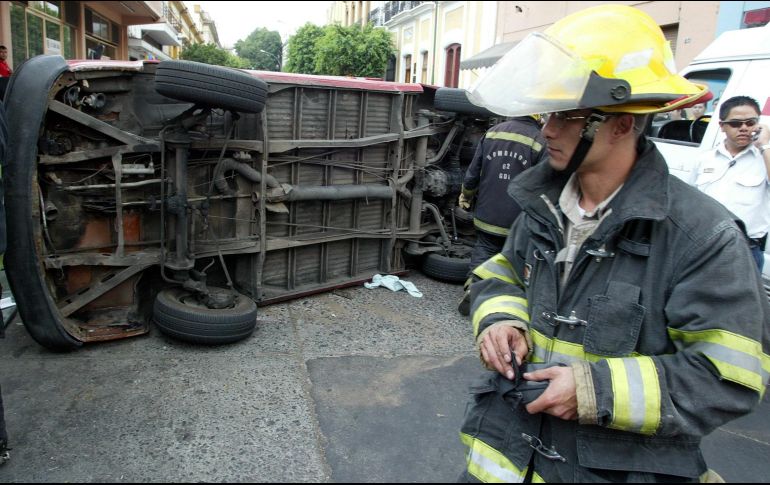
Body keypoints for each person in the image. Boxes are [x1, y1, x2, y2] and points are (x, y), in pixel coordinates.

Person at [459, 4, 770, 482]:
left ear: (622, 124)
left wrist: (593, 391)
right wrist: (500, 319)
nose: (548, 129)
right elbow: (500, 272)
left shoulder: (704, 237)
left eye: (567, 115)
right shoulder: (544, 204)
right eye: (548, 113)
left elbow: (725, 377)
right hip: (509, 454)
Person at [456, 116, 547, 315]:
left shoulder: (493, 132)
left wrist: (466, 195)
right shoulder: (540, 140)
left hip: (488, 212)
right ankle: (508, 300)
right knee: (516, 258)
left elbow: (473, 172)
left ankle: (474, 287)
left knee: (484, 249)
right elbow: (544, 182)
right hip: (518, 220)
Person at [690, 95, 770, 273]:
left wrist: (765, 146)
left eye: (750, 123)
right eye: (735, 123)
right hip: (704, 248)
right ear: (722, 126)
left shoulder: (764, 157)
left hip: (746, 251)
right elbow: (689, 202)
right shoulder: (705, 159)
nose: (744, 128)